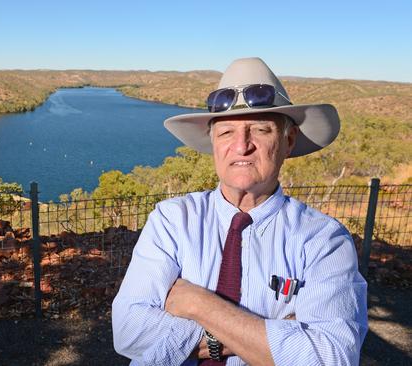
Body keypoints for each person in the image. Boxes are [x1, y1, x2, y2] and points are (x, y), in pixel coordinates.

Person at [112, 57, 368, 365]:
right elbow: (128, 330)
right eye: (226, 133)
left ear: (288, 141)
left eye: (260, 130)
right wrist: (276, 337)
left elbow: (332, 357)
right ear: (214, 144)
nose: (241, 145)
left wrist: (198, 304)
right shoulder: (172, 220)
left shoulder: (323, 239)